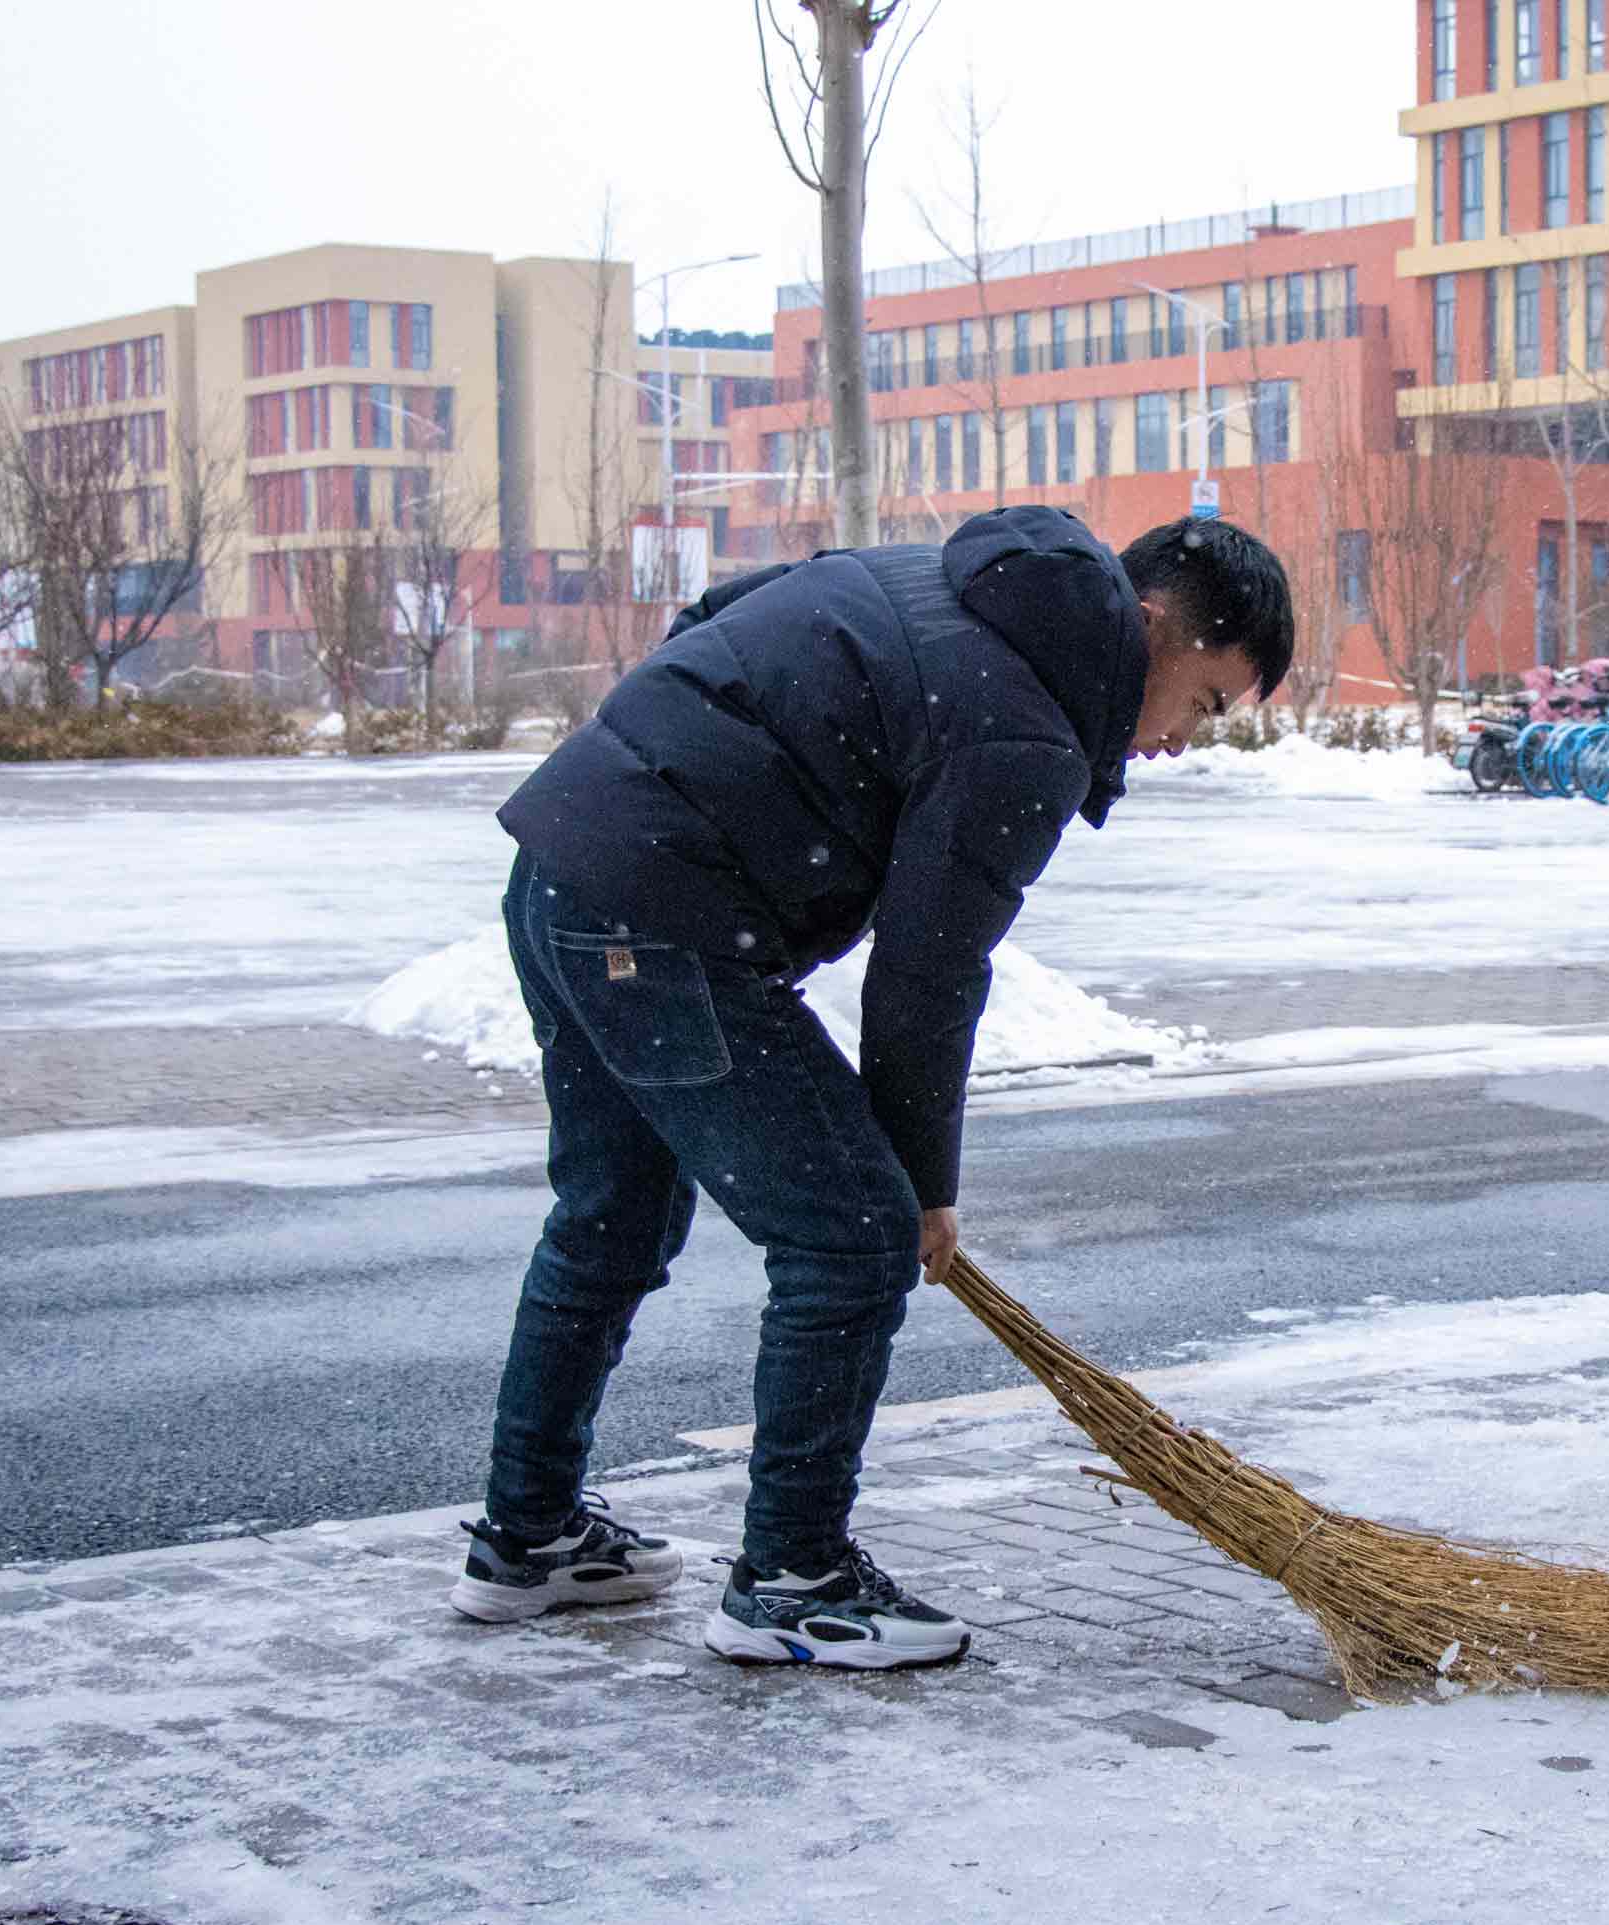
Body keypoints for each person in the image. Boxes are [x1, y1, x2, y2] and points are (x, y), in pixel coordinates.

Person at [448, 508, 1292, 1667]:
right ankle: (791, 1575)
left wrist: (663, 768)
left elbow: (722, 612)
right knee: (848, 1234)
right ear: (1152, 626)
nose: (1184, 740)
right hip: (657, 912)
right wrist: (916, 1191)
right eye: (1202, 700)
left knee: (613, 1215)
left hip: (567, 862)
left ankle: (527, 1533)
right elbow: (928, 972)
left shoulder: (950, 581)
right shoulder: (1026, 726)